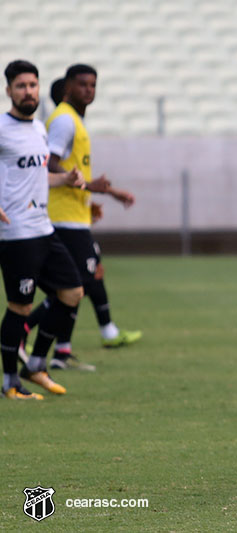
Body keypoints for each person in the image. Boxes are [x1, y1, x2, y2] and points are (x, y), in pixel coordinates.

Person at [23, 64, 141, 371]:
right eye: (82, 84)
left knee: (75, 286)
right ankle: (24, 333)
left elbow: (69, 170)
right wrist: (90, 187)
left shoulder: (73, 119)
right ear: (67, 88)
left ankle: (60, 353)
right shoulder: (64, 120)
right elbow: (49, 163)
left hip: (73, 215)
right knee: (75, 285)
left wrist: (94, 198)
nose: (89, 90)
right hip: (63, 219)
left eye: (93, 85)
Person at [0, 59, 87, 399]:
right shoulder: (2, 128)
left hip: (43, 229)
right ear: (9, 91)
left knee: (72, 293)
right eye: (21, 86)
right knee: (20, 307)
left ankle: (35, 364)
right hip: (16, 234)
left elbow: (37, 175)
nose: (28, 91)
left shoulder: (38, 129)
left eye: (32, 85)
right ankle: (10, 383)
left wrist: (65, 179)